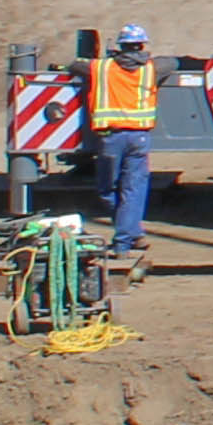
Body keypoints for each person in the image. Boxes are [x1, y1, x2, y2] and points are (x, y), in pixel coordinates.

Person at [86, 21, 162, 258]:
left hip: (111, 138)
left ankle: (123, 241)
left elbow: (73, 66)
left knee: (107, 190)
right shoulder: (152, 68)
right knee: (133, 190)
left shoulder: (101, 67)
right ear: (141, 45)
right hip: (138, 137)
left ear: (120, 46)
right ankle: (130, 232)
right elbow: (174, 62)